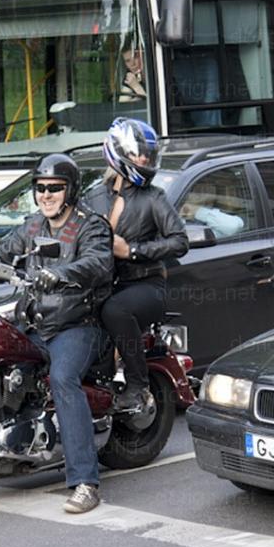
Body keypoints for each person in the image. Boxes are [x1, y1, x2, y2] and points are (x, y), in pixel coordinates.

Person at [0, 155, 114, 514]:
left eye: (54, 188)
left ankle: (85, 483)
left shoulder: (89, 226)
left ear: (71, 190)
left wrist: (63, 273)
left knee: (63, 379)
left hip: (77, 325)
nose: (46, 195)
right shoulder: (32, 228)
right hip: (34, 324)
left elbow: (98, 263)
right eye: (40, 188)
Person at [86, 118, 189, 409]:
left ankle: (138, 385)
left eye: (147, 153)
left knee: (114, 310)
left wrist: (132, 250)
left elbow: (180, 242)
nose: (144, 158)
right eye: (136, 153)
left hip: (145, 284)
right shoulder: (93, 196)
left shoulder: (153, 198)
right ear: (117, 152)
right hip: (104, 284)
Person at [179, 192, 245, 238]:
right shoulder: (177, 215)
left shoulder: (219, 217)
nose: (203, 194)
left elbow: (233, 226)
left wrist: (197, 211)